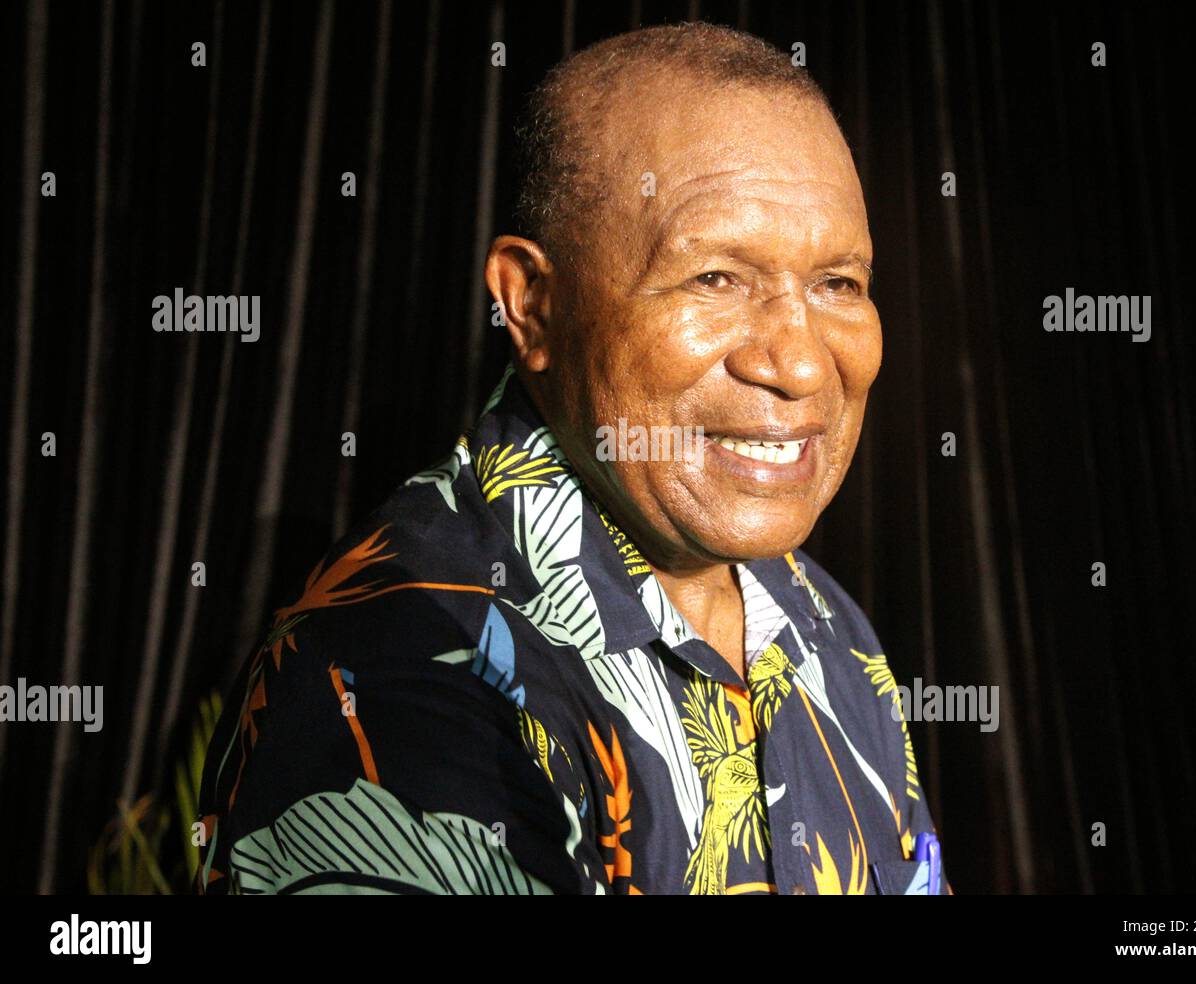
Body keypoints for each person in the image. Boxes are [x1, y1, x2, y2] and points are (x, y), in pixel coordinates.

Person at [195, 21, 951, 895]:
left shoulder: (819, 617)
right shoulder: (403, 664)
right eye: (716, 278)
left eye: (838, 285)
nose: (804, 362)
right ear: (532, 304)